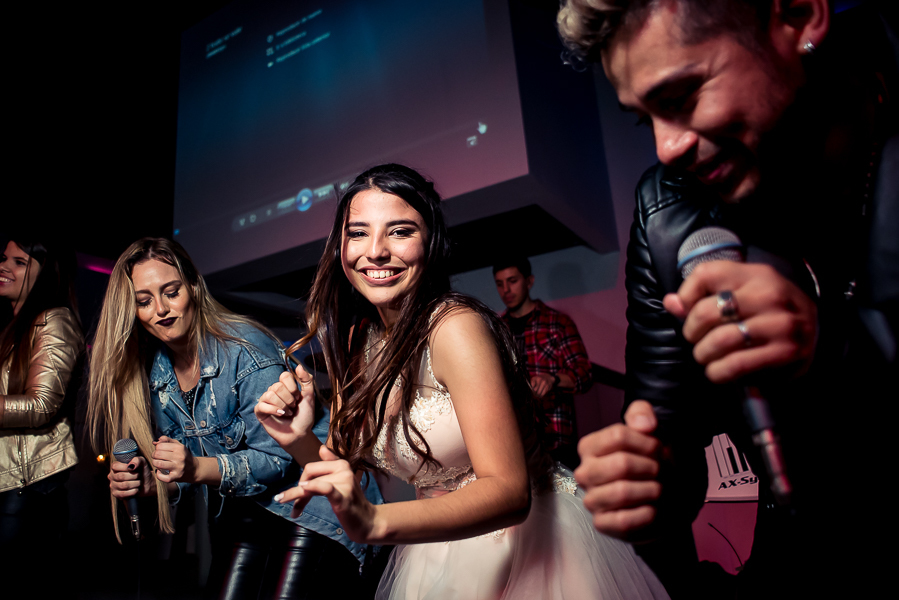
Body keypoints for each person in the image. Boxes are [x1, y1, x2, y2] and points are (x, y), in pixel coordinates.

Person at [557, 0, 897, 597]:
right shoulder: (666, 214)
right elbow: (668, 433)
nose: (666, 148)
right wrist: (649, 484)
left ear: (797, 17)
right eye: (646, 119)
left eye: (682, 97)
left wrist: (829, 347)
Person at [254, 163, 669, 599]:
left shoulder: (455, 326)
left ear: (430, 243)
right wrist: (295, 439)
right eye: (358, 233)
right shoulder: (361, 339)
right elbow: (341, 473)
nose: (374, 251)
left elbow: (510, 493)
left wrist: (376, 521)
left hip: (526, 546)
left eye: (399, 231)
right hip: (436, 548)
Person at [86, 238, 381, 599]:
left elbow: (277, 459)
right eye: (144, 301)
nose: (161, 309)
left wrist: (194, 468)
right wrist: (157, 483)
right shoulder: (159, 374)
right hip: (243, 515)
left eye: (171, 292)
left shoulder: (244, 348)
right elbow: (192, 468)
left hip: (312, 508)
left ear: (193, 287)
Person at [0, 233, 83, 584]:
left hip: (26, 490)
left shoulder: (54, 320)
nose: (4, 267)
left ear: (46, 272)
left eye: (20, 262)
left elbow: (41, 404)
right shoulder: (14, 328)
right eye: (5, 258)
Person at [493, 256, 592, 469]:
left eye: (512, 281)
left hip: (555, 438)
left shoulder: (557, 322)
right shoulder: (496, 330)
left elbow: (585, 375)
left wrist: (553, 379)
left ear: (529, 281)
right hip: (515, 440)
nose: (506, 290)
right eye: (500, 284)